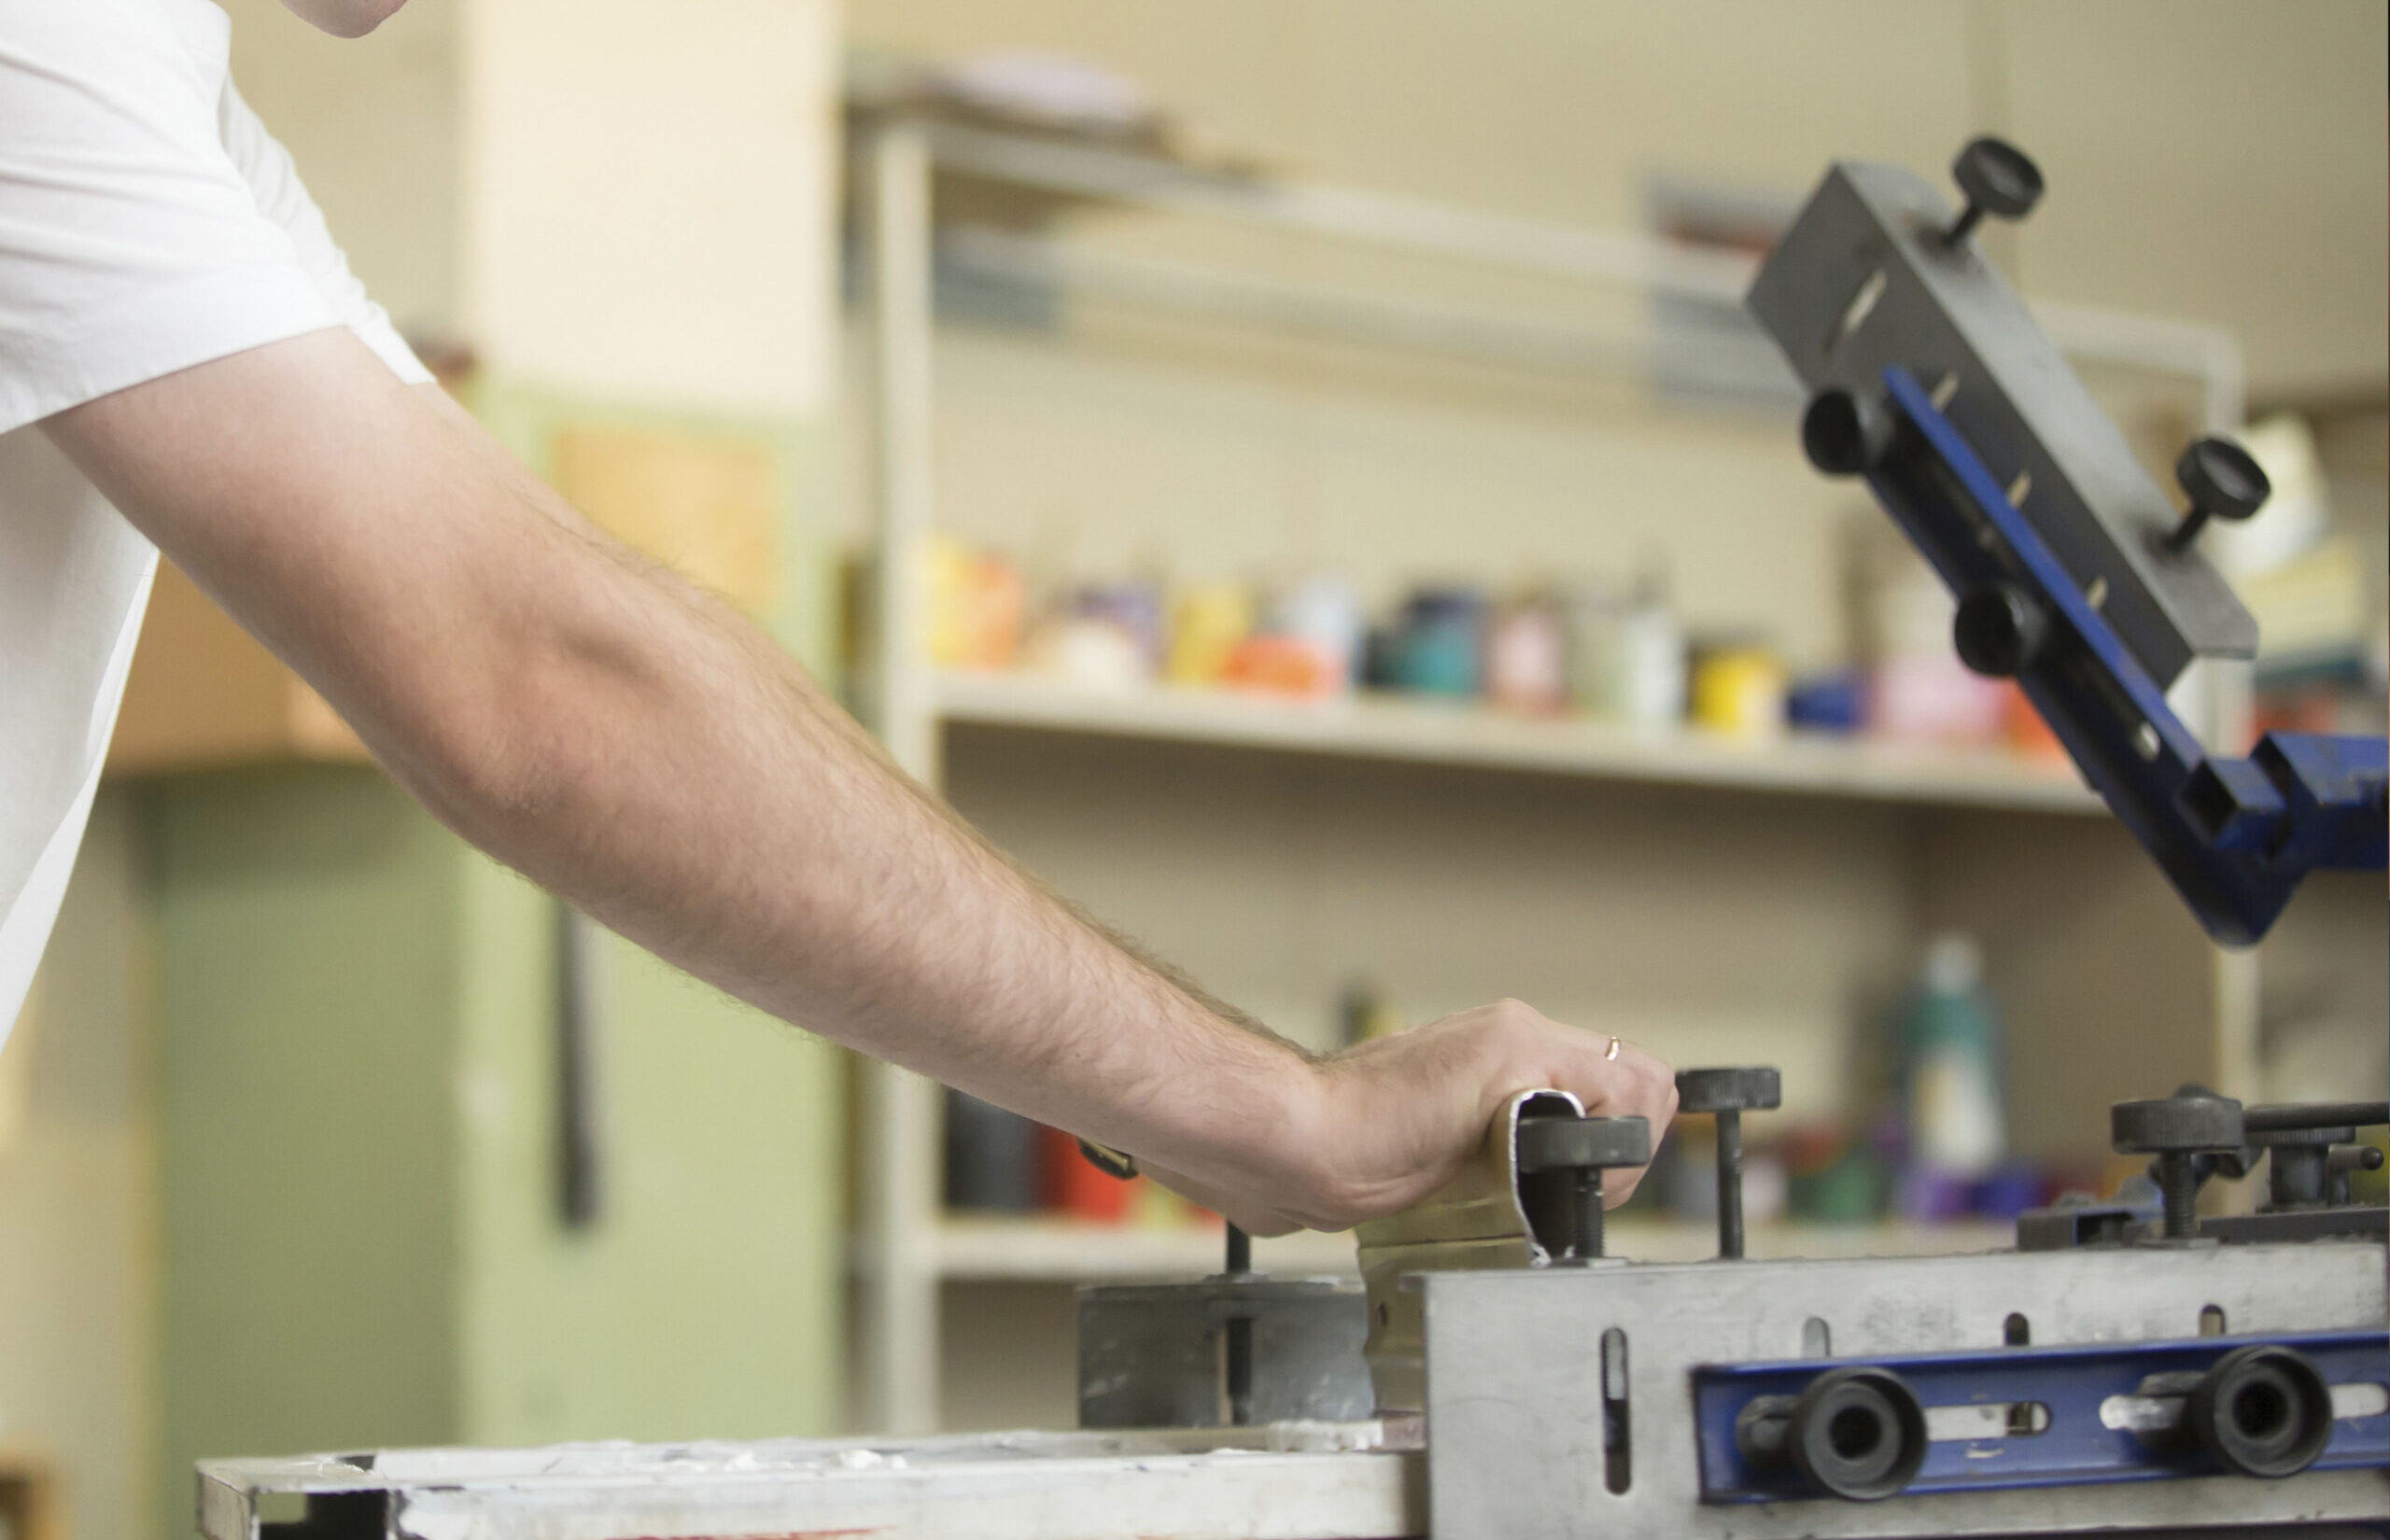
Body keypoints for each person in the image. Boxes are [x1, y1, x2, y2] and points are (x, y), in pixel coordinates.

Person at [0, 0, 1675, 1239]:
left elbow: (549, 612)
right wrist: (1287, 1115)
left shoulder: (173, 107)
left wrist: (1229, 1105)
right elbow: (552, 692)